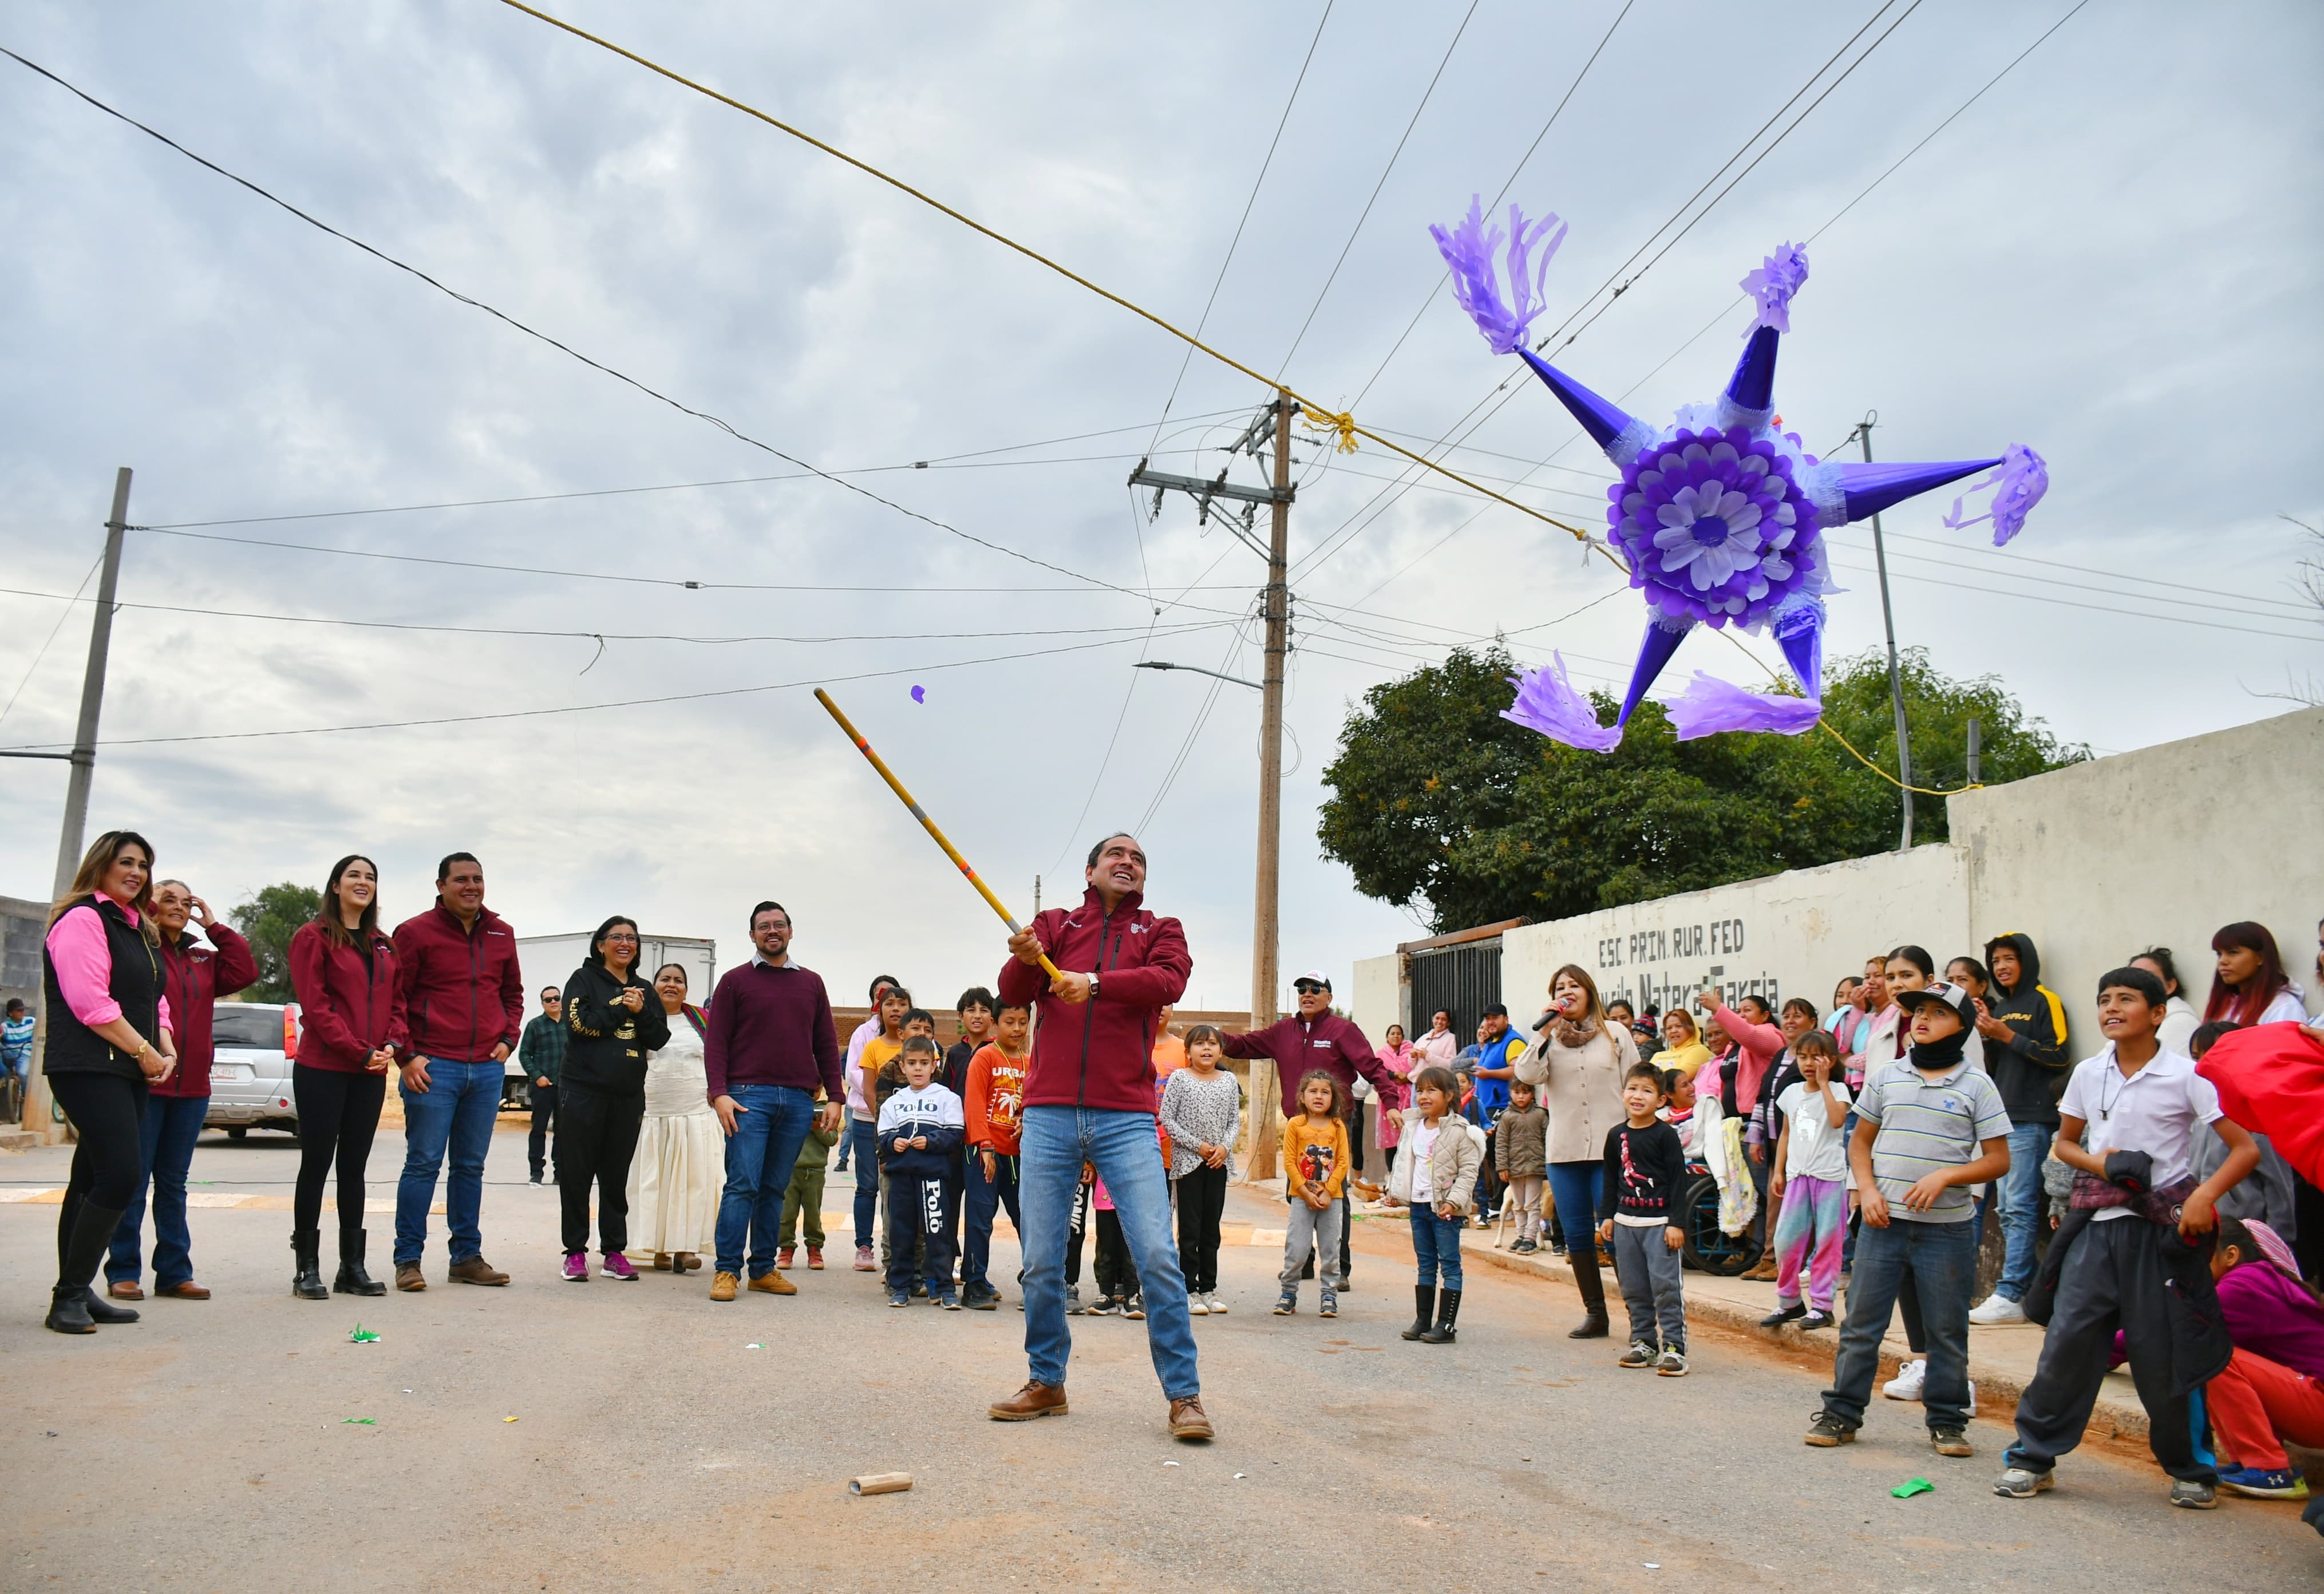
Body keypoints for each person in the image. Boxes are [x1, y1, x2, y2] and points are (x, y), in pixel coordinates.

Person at [1998, 966, 2260, 1507]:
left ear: (2158, 1013)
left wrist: (2204, 1198)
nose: (2111, 1008)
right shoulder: (2089, 1073)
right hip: (2096, 1229)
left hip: (2161, 1234)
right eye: (2104, 1000)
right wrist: (2105, 1163)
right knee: (2067, 1345)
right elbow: (2064, 1145)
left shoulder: (2187, 1076)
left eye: (2126, 999)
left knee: (2165, 1353)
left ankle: (2191, 1470)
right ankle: (2032, 1456)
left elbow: (2245, 1149)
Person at [988, 832, 1208, 1441]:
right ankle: (1046, 1381)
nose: (1128, 863)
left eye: (1138, 859)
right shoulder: (1055, 925)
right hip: (1049, 1115)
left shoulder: (1162, 930)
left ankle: (1184, 1397)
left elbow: (1168, 983)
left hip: (1127, 1117)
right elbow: (1012, 993)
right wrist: (1026, 956)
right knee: (1039, 1262)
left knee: (1158, 1257)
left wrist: (1096, 985)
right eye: (1117, 855)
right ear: (1091, 870)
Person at [1809, 979, 2011, 1457]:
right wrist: (1870, 1191)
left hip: (1948, 1231)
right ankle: (1841, 1413)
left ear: (1961, 1028)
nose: (1922, 1019)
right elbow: (1859, 1142)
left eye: (1937, 1013)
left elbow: (1999, 1159)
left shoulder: (1977, 1086)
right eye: (1919, 1011)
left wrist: (1947, 1176)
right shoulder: (1888, 1077)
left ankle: (1947, 1421)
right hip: (1884, 1225)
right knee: (1861, 1325)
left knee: (1946, 1330)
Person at [41, 831, 179, 1335]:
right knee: (121, 1174)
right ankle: (69, 1297)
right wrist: (144, 1052)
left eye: (144, 864)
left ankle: (77, 1291)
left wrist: (164, 1044)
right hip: (87, 1065)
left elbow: (154, 998)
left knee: (89, 1180)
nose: (137, 872)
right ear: (101, 866)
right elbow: (90, 1002)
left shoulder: (138, 927)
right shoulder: (83, 919)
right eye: (126, 862)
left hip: (126, 1065)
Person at [104, 878, 256, 1303]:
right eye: (168, 898)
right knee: (133, 1181)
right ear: (148, 903)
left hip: (192, 1088)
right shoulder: (140, 952)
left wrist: (214, 926)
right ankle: (123, 1272)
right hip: (146, 1082)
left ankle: (174, 1273)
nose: (178, 906)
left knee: (173, 1183)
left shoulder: (202, 959)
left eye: (186, 901)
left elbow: (245, 970)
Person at [1220, 970, 1406, 1289]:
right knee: (1298, 1190)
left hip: (1335, 1126)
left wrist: (1390, 1102)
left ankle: (1339, 1269)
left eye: (1315, 989)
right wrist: (1211, 1038)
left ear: (1329, 997)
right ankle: (1302, 1263)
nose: (1307, 994)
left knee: (1335, 1193)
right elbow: (1244, 1045)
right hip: (1298, 1126)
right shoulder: (1284, 1031)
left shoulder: (1343, 1030)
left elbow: (1373, 1067)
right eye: (1302, 989)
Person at [390, 852, 523, 1291]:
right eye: (461, 879)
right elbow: (396, 998)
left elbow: (512, 994)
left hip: (486, 1069)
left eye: (478, 879)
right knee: (423, 1164)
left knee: (470, 1167)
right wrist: (407, 1056)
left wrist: (508, 1039)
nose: (472, 886)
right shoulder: (413, 933)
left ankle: (466, 1257)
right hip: (434, 1066)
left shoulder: (502, 933)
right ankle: (408, 1259)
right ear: (441, 885)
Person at [702, 901, 844, 1303]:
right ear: (752, 935)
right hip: (748, 1099)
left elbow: (825, 1044)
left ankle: (763, 1269)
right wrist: (719, 1094)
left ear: (791, 931)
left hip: (799, 1102)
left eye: (778, 925)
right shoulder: (734, 981)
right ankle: (727, 1270)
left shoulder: (812, 983)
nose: (772, 931)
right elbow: (717, 1044)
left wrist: (835, 1096)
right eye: (763, 927)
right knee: (742, 1184)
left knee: (775, 1189)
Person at [284, 855, 400, 1301]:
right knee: (316, 1164)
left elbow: (398, 1003)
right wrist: (360, 1050)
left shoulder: (384, 944)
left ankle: (351, 1267)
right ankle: (306, 1269)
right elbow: (316, 1008)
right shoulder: (313, 938)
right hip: (324, 1069)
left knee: (354, 1168)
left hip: (369, 1071)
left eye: (371, 876)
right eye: (354, 875)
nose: (363, 882)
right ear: (335, 886)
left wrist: (391, 1043)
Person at [1517, 964, 1638, 1340]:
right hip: (1565, 1152)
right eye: (1559, 987)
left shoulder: (1614, 1033)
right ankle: (1596, 1314)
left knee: (1619, 1233)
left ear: (1588, 991)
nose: (1567, 991)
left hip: (1611, 1150)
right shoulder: (1549, 1039)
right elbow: (1527, 1075)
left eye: (1573, 986)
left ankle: (1641, 1319)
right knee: (1577, 1234)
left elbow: (1636, 1083)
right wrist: (1544, 1032)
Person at [1967, 933, 2073, 1327]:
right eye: (1996, 962)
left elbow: (2059, 1055)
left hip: (2032, 1117)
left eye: (2010, 959)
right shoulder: (2004, 1007)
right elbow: (1997, 1066)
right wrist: (1985, 1031)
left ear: (2027, 961)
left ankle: (2012, 1292)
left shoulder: (2045, 1000)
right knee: (2007, 1207)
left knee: (2019, 1207)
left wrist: (2005, 1034)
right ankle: (2012, 1291)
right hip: (2004, 1116)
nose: (2002, 968)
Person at [555, 917, 669, 1283]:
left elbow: (658, 1038)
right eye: (617, 937)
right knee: (576, 1174)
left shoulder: (644, 989)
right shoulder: (583, 980)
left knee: (616, 1176)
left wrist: (641, 1010)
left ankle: (614, 1253)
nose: (625, 943)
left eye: (632, 938)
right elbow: (581, 1025)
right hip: (583, 1092)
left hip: (627, 1097)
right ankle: (574, 1253)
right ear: (601, 944)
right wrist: (623, 1008)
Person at [2202, 1216, 2324, 1500]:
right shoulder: (2258, 1279)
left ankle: (2270, 1470)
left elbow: (2175, 1330)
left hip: (2317, 1401)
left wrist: (2091, 1352)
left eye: (2200, 1255)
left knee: (2209, 1352)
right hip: (2310, 1401)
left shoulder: (2245, 1283)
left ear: (2231, 1255)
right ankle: (2249, 1462)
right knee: (2208, 1352)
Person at [1602, 1062, 1690, 1375]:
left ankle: (1675, 1348)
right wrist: (1607, 1216)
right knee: (1634, 1287)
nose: (1638, 1096)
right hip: (1626, 1225)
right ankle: (1644, 1342)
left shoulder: (1665, 1136)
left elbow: (1679, 1180)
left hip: (1659, 1226)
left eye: (1647, 1091)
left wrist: (1676, 1223)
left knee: (1665, 1287)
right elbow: (1611, 1179)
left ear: (1661, 1100)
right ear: (1623, 1093)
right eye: (1633, 1088)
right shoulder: (1616, 1135)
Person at [631, 962, 720, 1274]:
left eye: (678, 980)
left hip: (695, 1111)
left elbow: (719, 1057)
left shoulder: (702, 1020)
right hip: (654, 1114)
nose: (672, 985)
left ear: (686, 988)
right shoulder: (641, 1019)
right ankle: (658, 1249)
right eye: (665, 979)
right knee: (656, 1183)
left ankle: (685, 1249)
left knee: (694, 1183)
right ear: (653, 985)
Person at [1384, 1064, 1481, 1344]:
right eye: (1420, 1091)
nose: (1423, 1097)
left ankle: (1446, 1326)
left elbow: (1468, 1171)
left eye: (1432, 1091)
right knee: (1425, 1264)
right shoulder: (1413, 1125)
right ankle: (1423, 1320)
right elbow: (1404, 1163)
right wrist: (1396, 1192)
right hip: (1418, 1206)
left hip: (1444, 1209)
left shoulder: (1462, 1132)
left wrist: (1454, 1202)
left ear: (1450, 1095)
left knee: (1449, 1264)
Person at [1761, 1029, 1851, 1331]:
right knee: (1785, 1241)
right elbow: (1786, 1133)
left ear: (1832, 1060)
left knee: (1828, 1242)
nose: (1808, 1063)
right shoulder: (1791, 1094)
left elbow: (1838, 1120)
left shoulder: (1838, 1090)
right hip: (1798, 1176)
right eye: (1803, 1057)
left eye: (1816, 1057)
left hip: (1829, 1177)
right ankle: (1789, 1301)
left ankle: (1823, 1306)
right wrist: (1779, 1171)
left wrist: (1824, 1084)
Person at [1698, 989, 1783, 1280]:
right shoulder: (1737, 1048)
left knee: (1768, 1193)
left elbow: (1748, 1034)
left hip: (1758, 1126)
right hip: (1735, 1127)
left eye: (1748, 1010)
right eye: (1740, 1010)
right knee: (1751, 1196)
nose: (1743, 1014)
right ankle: (1759, 1255)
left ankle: (1777, 1258)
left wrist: (1719, 1009)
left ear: (1765, 1015)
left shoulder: (1770, 1036)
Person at [2187, 1020, 2299, 1237]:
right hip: (2205, 1231)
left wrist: (2277, 1245)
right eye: (2196, 1058)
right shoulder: (2200, 1115)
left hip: (2247, 1239)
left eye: (2214, 1056)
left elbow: (2279, 1188)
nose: (2203, 1067)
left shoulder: (2257, 1117)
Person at [879, 1036, 965, 1308]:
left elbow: (955, 1134)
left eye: (924, 1063)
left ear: (933, 1066)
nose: (918, 1069)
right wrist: (893, 1142)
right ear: (902, 1067)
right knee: (901, 1233)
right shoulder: (893, 1102)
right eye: (912, 1063)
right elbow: (882, 1137)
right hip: (902, 1176)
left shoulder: (947, 1098)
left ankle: (943, 1287)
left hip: (933, 1177)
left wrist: (931, 1142)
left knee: (937, 1232)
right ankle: (901, 1285)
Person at [1160, 1023, 1239, 1316]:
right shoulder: (1180, 1078)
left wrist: (1223, 1148)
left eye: (1212, 1044)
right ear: (1187, 1051)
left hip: (1218, 1163)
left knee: (1211, 1229)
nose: (1206, 1049)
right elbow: (1167, 1119)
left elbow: (1235, 1121)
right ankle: (1189, 1290)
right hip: (1188, 1163)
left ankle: (1209, 1288)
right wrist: (1199, 1146)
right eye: (1199, 1044)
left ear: (1220, 1050)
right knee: (1190, 1229)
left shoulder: (1229, 1081)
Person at [961, 996, 1035, 1309]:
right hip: (983, 1152)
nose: (1017, 1029)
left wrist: (1025, 1122)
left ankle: (1034, 1278)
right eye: (1009, 1022)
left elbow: (1032, 1103)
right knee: (980, 1219)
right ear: (995, 1022)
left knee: (1027, 1219)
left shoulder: (1030, 1061)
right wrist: (985, 1146)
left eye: (1022, 1022)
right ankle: (974, 1283)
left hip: (1017, 1154)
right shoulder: (985, 1057)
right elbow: (974, 1103)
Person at [1274, 1071, 1353, 1319]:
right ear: (1302, 1096)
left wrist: (1329, 1192)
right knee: (1296, 1249)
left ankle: (1329, 1295)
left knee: (1331, 1249)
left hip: (1332, 1199)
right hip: (1301, 1198)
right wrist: (1305, 1193)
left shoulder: (1338, 1126)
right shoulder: (1295, 1124)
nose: (1319, 1096)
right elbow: (1289, 1163)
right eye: (1313, 1091)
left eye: (1325, 1092)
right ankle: (1288, 1293)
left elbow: (1342, 1162)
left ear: (1333, 1098)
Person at [844, 983, 910, 1271]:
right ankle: (864, 1246)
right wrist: (883, 1115)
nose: (896, 1009)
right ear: (878, 1007)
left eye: (901, 1003)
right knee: (868, 1185)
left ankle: (896, 1250)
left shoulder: (916, 1043)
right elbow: (858, 1077)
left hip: (904, 1130)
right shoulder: (865, 1037)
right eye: (889, 1003)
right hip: (866, 1121)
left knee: (896, 1189)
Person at [836, 974, 901, 1174]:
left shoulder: (913, 1033)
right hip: (866, 1117)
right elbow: (853, 1072)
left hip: (903, 1118)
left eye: (895, 999)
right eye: (880, 997)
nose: (891, 1006)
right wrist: (879, 1097)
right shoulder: (863, 1033)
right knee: (867, 1184)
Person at [776, 1097, 840, 1272]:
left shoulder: (824, 1110)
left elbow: (833, 1139)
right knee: (787, 1213)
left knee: (813, 1213)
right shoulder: (789, 1103)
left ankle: (815, 1248)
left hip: (815, 1170)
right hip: (790, 1169)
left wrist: (817, 1127)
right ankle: (786, 1248)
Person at [2206, 921, 2307, 1025]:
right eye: (2219, 954)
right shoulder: (2225, 1005)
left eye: (2233, 952)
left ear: (2260, 958)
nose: (2222, 961)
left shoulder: (2284, 1007)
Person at [517, 986, 566, 1186]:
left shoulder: (571, 1025)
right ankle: (536, 1173)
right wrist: (537, 1076)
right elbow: (524, 1054)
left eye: (556, 998)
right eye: (548, 1000)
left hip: (566, 1088)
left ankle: (560, 1174)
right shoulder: (535, 1025)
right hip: (543, 1087)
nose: (553, 1002)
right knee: (538, 1130)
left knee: (563, 1132)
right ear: (543, 1004)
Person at [1494, 1078, 1548, 1253]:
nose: (1521, 1097)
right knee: (1518, 1204)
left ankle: (1530, 1237)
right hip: (1514, 1168)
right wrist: (1502, 1167)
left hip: (1535, 1167)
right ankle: (1520, 1235)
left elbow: (1547, 1138)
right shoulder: (1507, 1117)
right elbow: (1501, 1143)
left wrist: (1548, 1163)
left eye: (1526, 1093)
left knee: (1532, 1204)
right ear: (1510, 1093)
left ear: (1532, 1094)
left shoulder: (1540, 1114)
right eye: (1517, 1092)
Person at [2131, 947, 2199, 1059]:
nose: (2138, 984)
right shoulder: (2131, 1023)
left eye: (2148, 977)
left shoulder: (2180, 1021)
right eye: (2132, 978)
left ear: (2170, 986)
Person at [1375, 1022, 1416, 1175]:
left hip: (1408, 1098)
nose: (1396, 1036)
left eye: (1399, 1034)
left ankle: (1406, 1175)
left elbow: (1417, 1070)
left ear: (1403, 1037)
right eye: (1392, 1034)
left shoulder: (1411, 1053)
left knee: (1407, 1136)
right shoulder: (1381, 1055)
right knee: (1390, 1137)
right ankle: (1391, 1174)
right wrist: (1394, 1075)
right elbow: (1378, 1073)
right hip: (1389, 1099)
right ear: (1387, 1038)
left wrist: (1407, 1078)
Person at [1655, 1007, 1710, 1080]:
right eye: (1669, 1028)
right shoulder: (1658, 1055)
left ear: (1690, 1028)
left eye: (1679, 1026)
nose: (1673, 1031)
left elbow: (1676, 1080)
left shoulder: (1699, 1051)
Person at [2, 998, 33, 1113]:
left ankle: (27, 1097)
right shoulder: (5, 1026)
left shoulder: (31, 1022)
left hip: (25, 1053)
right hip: (10, 1054)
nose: (22, 1013)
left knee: (23, 1073)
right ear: (11, 1013)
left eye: (23, 1010)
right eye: (19, 1010)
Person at [1412, 1008, 1460, 1072]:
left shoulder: (1450, 1038)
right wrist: (1412, 1057)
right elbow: (1412, 1066)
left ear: (1448, 1023)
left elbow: (1450, 1065)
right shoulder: (1423, 1038)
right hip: (1417, 1080)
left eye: (1444, 1020)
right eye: (1437, 1018)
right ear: (1433, 1019)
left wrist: (1428, 1056)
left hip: (1435, 1080)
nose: (1439, 1022)